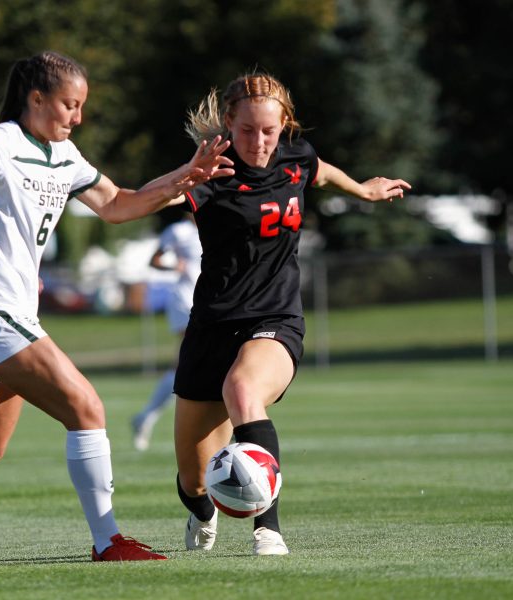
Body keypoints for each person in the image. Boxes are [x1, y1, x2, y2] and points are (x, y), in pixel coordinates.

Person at [0, 50, 233, 569]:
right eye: (70, 105)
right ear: (36, 98)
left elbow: (118, 204)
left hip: (6, 317)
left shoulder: (66, 154)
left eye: (81, 106)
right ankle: (107, 542)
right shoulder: (0, 140)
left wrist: (188, 176)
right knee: (87, 408)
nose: (78, 117)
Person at [170, 72, 411, 556]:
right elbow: (163, 198)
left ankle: (268, 529)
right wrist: (171, 182)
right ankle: (203, 512)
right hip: (211, 325)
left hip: (274, 317)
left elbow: (320, 170)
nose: (258, 142)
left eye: (269, 131)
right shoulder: (211, 172)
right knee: (194, 478)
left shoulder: (296, 158)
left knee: (242, 390)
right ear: (228, 127)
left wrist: (363, 191)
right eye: (246, 131)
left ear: (284, 127)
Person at [131, 213, 201, 451]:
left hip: (212, 301)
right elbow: (155, 260)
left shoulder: (218, 222)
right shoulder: (179, 231)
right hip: (186, 301)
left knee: (186, 366)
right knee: (190, 361)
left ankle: (144, 418)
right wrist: (174, 265)